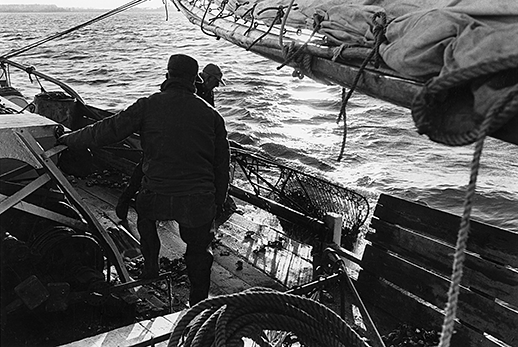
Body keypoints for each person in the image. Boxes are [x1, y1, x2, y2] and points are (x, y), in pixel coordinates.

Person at [58, 54, 230, 306]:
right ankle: (198, 302)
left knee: (146, 219)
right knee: (199, 250)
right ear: (196, 80)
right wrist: (217, 203)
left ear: (167, 74)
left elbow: (106, 130)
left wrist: (68, 139)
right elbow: (222, 166)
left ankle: (151, 269)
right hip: (197, 201)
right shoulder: (212, 115)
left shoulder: (148, 105)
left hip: (156, 195)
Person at [115, 63, 226, 220]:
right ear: (206, 78)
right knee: (146, 166)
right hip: (171, 135)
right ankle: (126, 199)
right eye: (215, 82)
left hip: (189, 138)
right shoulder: (193, 89)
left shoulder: (208, 93)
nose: (216, 86)